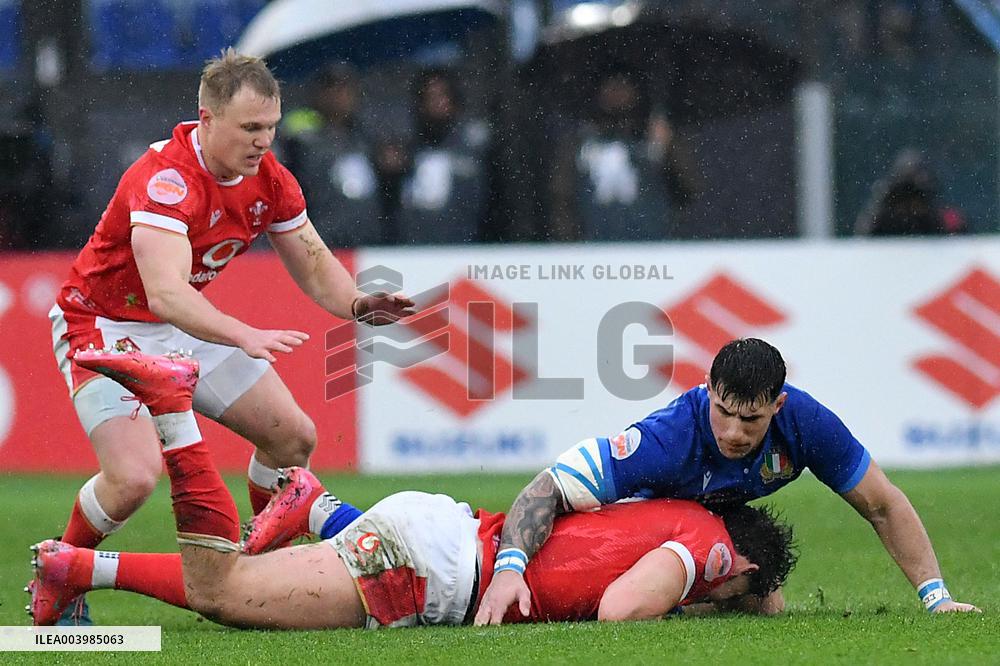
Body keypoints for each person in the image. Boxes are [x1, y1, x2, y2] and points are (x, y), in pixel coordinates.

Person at [27, 347, 796, 629]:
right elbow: (628, 608)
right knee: (224, 589)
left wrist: (756, 593)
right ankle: (173, 412)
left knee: (242, 585)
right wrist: (701, 598)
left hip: (445, 533)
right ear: (744, 567)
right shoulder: (709, 550)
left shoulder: (683, 507)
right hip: (435, 573)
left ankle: (76, 567)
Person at [44, 48, 415, 624]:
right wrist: (243, 332)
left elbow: (314, 264)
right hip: (104, 326)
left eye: (270, 126)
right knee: (134, 478)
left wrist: (358, 303)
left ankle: (252, 569)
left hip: (181, 326)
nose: (263, 140)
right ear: (207, 119)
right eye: (249, 128)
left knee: (292, 438)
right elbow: (166, 292)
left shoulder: (271, 179)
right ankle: (63, 577)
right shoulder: (165, 181)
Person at [475, 338, 980, 624]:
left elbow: (883, 505)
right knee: (624, 612)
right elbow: (550, 487)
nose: (735, 433)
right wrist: (509, 566)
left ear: (778, 406)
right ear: (707, 390)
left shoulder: (806, 424)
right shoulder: (666, 438)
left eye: (752, 420)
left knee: (765, 606)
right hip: (651, 541)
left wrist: (936, 597)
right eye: (724, 413)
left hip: (713, 536)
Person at [548, 68, 698, 242]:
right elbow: (561, 198)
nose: (617, 92)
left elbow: (690, 190)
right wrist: (569, 244)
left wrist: (670, 149)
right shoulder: (579, 142)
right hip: (594, 247)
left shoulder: (655, 135)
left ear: (637, 90)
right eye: (610, 85)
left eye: (624, 84)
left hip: (653, 247)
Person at [379, 68, 493, 245]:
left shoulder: (476, 145)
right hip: (413, 249)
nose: (436, 103)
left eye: (441, 96)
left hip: (466, 247)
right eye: (428, 97)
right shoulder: (407, 149)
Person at [280, 63, 384, 247]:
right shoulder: (301, 137)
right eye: (332, 88)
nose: (340, 96)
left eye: (345, 88)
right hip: (321, 238)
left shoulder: (366, 138)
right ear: (319, 94)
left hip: (368, 242)